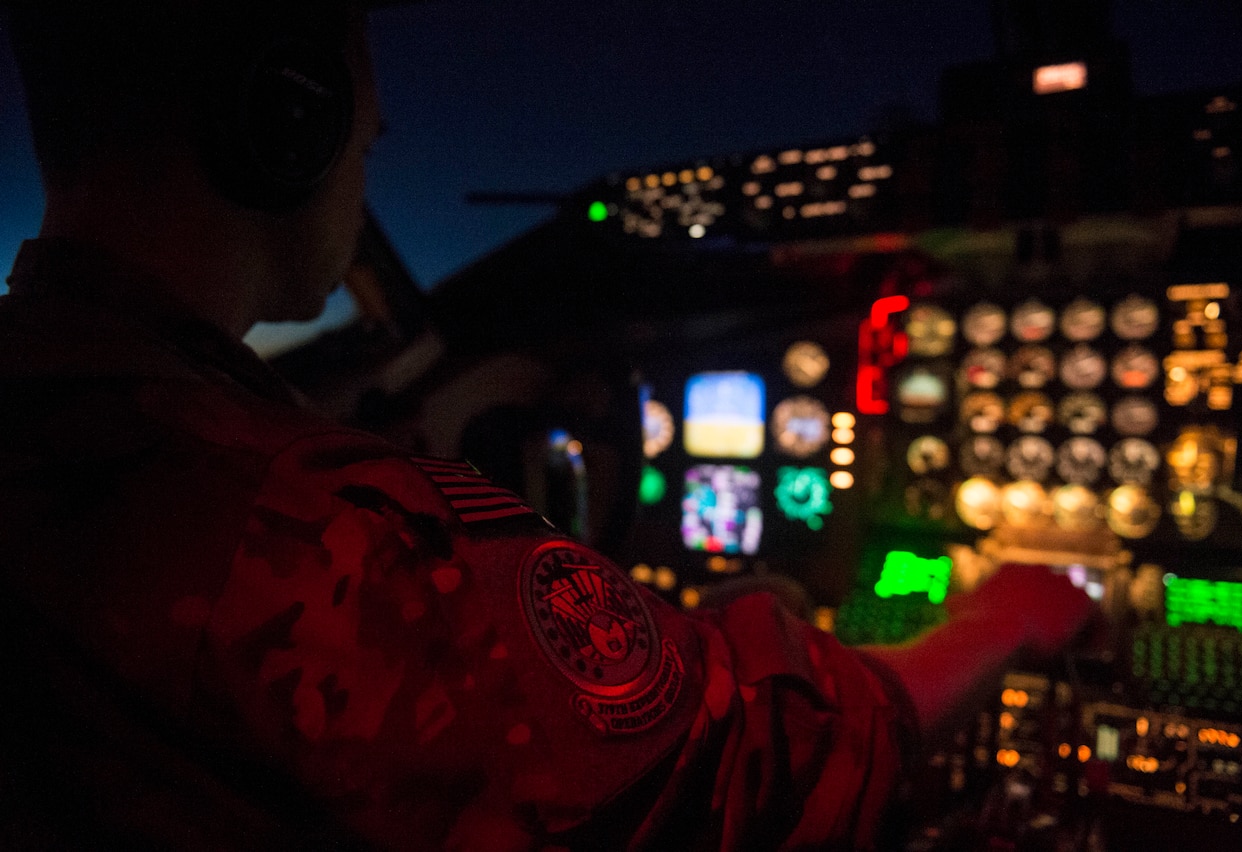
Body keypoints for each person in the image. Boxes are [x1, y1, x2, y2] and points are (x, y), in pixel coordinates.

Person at [0, 1, 1094, 849]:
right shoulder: (290, 526)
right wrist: (1009, 614)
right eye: (364, 124)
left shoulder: (63, 405)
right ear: (290, 114)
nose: (375, 128)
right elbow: (751, 773)